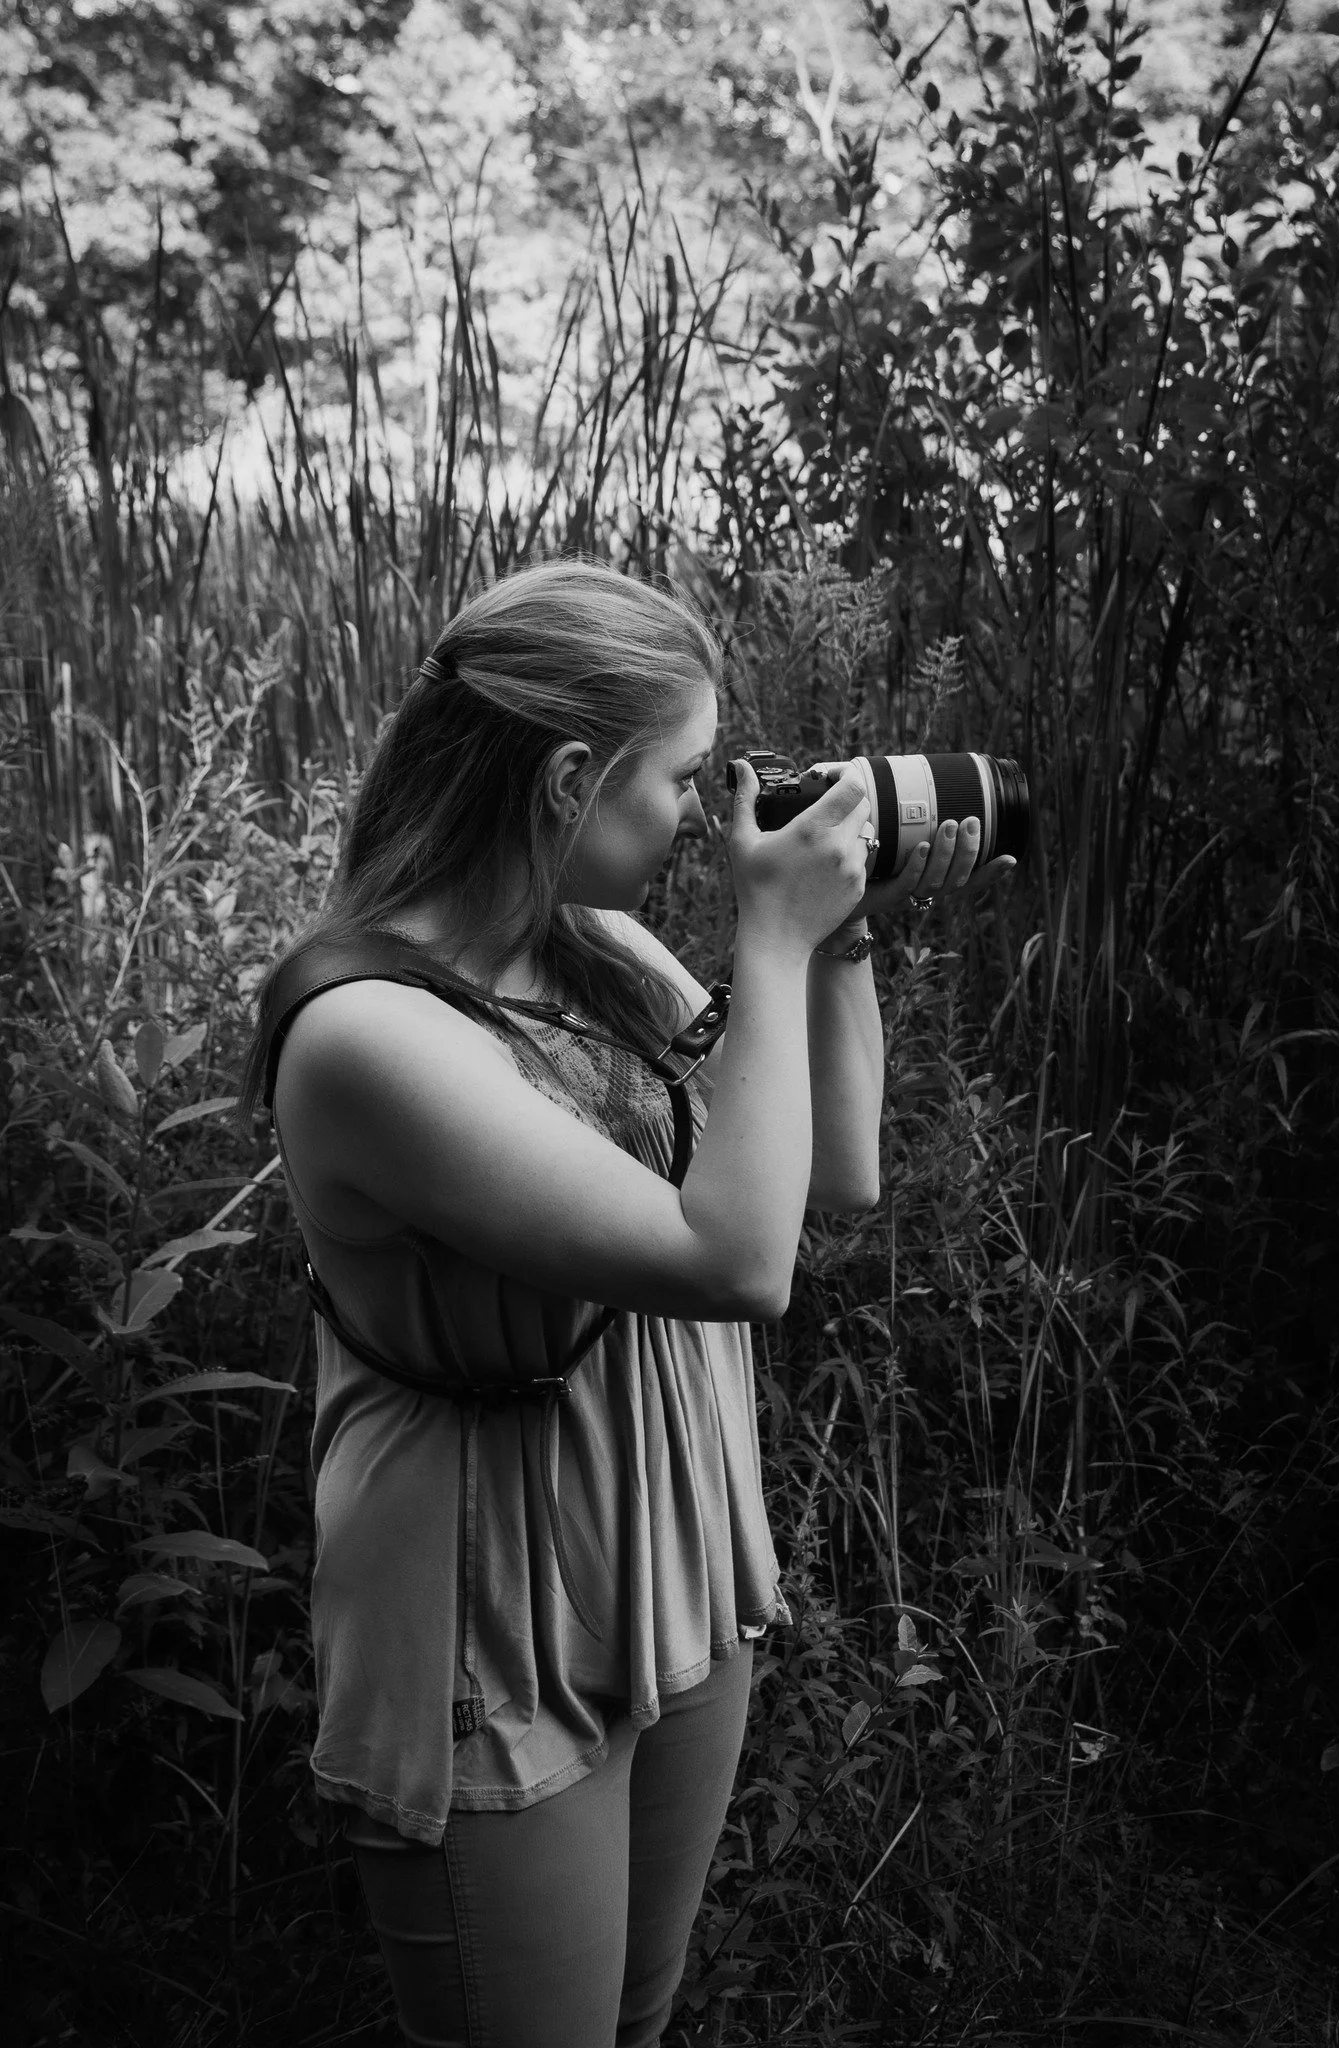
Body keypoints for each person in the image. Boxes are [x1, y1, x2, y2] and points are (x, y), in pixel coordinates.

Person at [239, 558, 998, 2048]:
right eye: (685, 779)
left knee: (635, 2022)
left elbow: (829, 1177)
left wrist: (838, 935)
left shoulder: (602, 957)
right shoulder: (365, 1037)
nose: (708, 817)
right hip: (493, 1600)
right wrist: (771, 938)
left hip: (671, 1553)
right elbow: (736, 1265)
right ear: (571, 777)